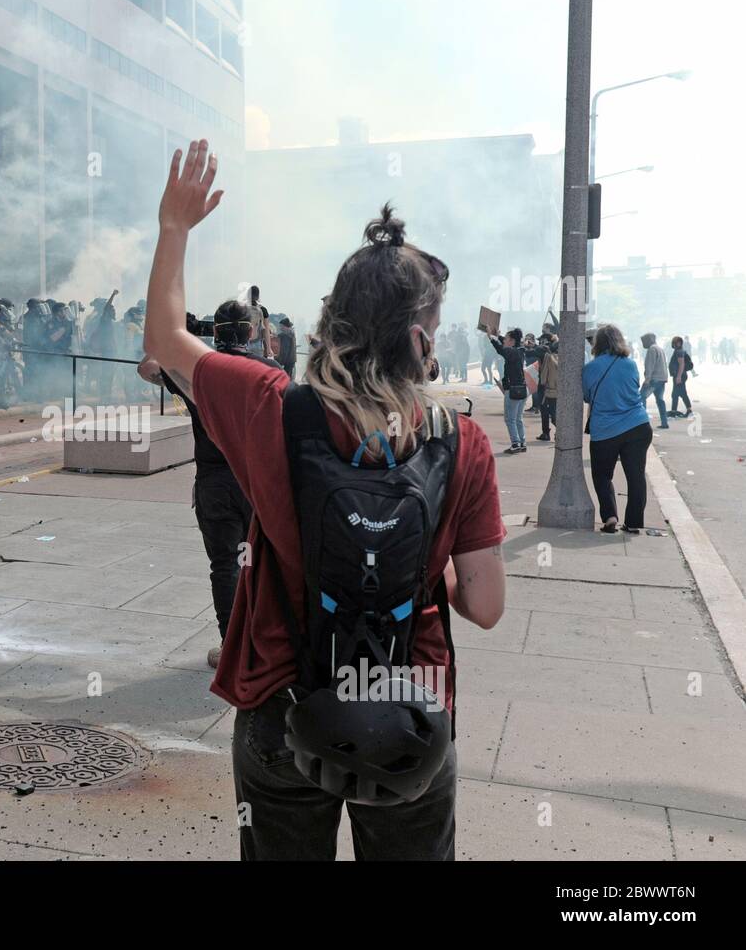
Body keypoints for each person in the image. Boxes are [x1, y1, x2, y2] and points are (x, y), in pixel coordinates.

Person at [143, 140, 506, 861]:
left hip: (284, 704)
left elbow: (163, 338)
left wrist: (175, 228)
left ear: (331, 317)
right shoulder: (459, 441)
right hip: (411, 714)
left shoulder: (271, 408)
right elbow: (486, 607)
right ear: (419, 337)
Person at [141, 302, 283, 669]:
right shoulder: (270, 371)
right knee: (260, 565)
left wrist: (180, 339)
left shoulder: (198, 374)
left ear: (215, 332)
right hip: (257, 482)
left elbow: (148, 368)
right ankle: (264, 645)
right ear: (251, 333)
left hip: (215, 481)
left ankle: (232, 649)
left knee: (225, 566)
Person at [584, 325, 652, 534]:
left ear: (598, 343)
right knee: (636, 477)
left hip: (605, 430)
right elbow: (634, 386)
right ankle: (633, 523)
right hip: (638, 426)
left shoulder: (590, 368)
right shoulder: (630, 364)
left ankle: (610, 517)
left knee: (603, 475)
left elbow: (587, 397)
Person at [484, 326, 529, 454]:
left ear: (512, 341)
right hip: (522, 389)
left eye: (506, 339)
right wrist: (498, 336)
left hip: (513, 390)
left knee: (510, 419)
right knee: (518, 418)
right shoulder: (519, 350)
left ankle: (515, 444)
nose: (504, 341)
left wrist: (492, 338)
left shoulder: (512, 352)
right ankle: (522, 443)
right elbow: (504, 345)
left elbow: (501, 349)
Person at [639, 332, 670, 429]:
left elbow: (650, 366)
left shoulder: (652, 349)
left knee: (641, 398)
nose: (643, 344)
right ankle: (664, 423)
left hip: (654, 379)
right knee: (660, 400)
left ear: (649, 340)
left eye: (644, 341)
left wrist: (647, 380)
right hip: (662, 379)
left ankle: (643, 423)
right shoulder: (660, 348)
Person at [535, 337, 559, 441]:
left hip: (548, 390)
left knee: (547, 412)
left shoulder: (548, 357)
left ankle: (547, 433)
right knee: (554, 412)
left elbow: (544, 377)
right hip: (559, 390)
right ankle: (555, 432)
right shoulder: (564, 358)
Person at [668, 336, 694, 418]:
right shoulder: (678, 351)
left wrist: (678, 376)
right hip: (680, 375)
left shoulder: (679, 352)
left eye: (678, 342)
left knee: (679, 394)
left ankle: (678, 411)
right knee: (678, 393)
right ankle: (676, 411)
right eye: (676, 342)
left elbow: (681, 364)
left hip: (680, 375)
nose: (677, 344)